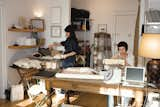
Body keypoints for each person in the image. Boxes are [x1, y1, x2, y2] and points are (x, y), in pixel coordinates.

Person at [108, 41, 134, 107]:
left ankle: (125, 104)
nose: (121, 51)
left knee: (125, 94)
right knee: (110, 91)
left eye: (123, 49)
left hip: (127, 77)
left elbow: (132, 68)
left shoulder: (131, 56)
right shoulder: (116, 56)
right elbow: (109, 64)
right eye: (119, 49)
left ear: (126, 49)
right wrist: (114, 60)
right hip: (117, 77)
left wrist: (125, 61)